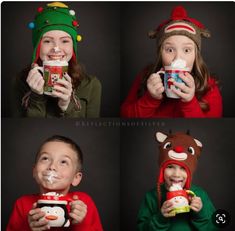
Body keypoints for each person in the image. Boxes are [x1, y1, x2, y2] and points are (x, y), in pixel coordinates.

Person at [121, 5, 222, 118]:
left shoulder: (209, 85)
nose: (177, 58)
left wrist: (189, 102)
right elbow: (125, 115)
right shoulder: (145, 76)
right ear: (160, 53)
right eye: (169, 50)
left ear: (195, 55)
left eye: (187, 50)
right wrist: (150, 99)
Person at [14, 2, 101, 118]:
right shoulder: (19, 83)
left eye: (64, 41)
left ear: (73, 47)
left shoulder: (92, 85)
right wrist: (36, 97)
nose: (56, 49)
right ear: (37, 46)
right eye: (47, 41)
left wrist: (66, 105)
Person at [7, 135, 103, 231]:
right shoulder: (22, 204)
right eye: (45, 158)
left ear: (76, 178)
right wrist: (29, 227)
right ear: (34, 171)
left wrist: (80, 223)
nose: (52, 166)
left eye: (63, 162)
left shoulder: (83, 203)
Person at [137, 131, 218, 230]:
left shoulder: (200, 194)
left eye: (183, 168)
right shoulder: (151, 197)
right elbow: (141, 228)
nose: (176, 174)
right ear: (162, 170)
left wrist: (200, 213)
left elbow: (214, 227)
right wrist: (160, 218)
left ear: (190, 172)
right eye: (170, 167)